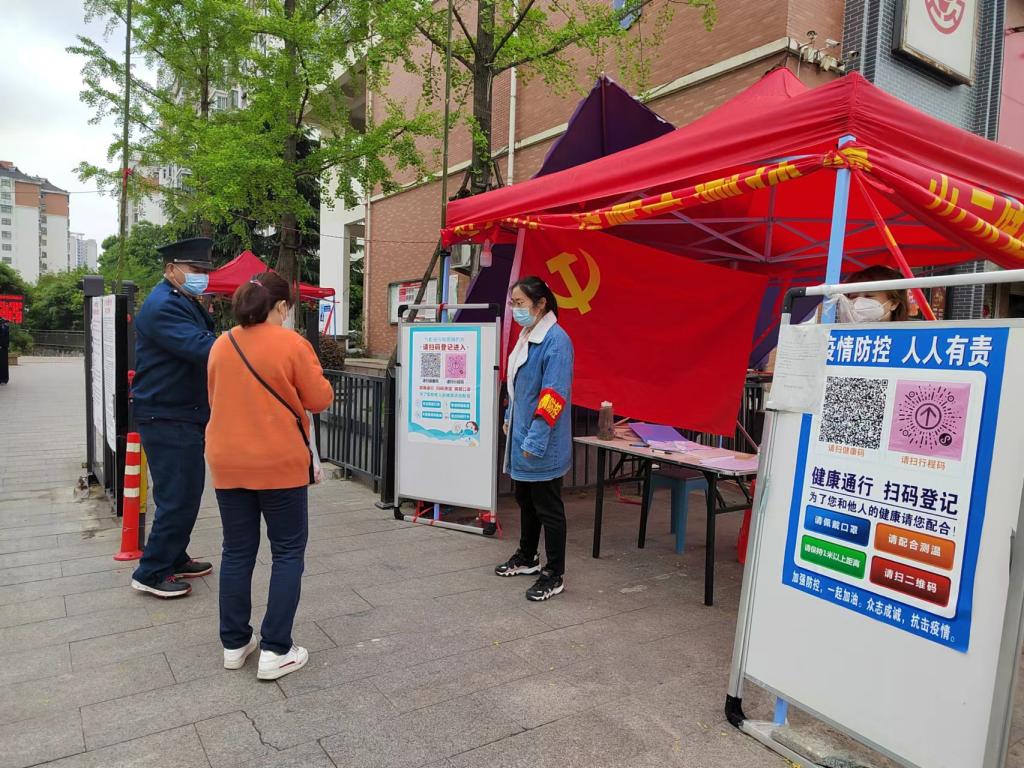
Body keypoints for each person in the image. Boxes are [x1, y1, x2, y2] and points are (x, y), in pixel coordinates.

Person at [206, 272, 333, 680]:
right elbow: (319, 398)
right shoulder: (292, 344)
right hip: (279, 464)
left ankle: (234, 643)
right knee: (287, 552)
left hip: (227, 462)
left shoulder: (221, 344)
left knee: (236, 551)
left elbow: (215, 398)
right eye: (288, 308)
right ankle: (276, 649)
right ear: (280, 306)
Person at [130, 237, 217, 599]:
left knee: (183, 491)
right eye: (195, 269)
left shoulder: (182, 299)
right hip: (167, 413)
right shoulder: (164, 305)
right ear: (171, 269)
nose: (202, 276)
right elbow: (202, 347)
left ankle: (174, 555)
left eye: (205, 270)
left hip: (180, 411)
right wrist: (249, 344)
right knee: (178, 494)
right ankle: (151, 571)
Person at [494, 276, 574, 602]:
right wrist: (509, 419)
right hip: (522, 434)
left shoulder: (556, 341)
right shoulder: (527, 334)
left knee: (548, 508)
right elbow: (518, 389)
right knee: (525, 499)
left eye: (520, 303)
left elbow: (553, 396)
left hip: (542, 442)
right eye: (513, 303)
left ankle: (554, 574)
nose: (515, 309)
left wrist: (535, 441)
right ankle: (528, 556)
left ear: (540, 304)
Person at [838, 265, 910, 322]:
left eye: (868, 296)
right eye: (853, 297)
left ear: (893, 304)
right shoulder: (839, 333)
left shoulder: (911, 332)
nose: (858, 301)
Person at [0, 318, 9, 385]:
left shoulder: (5, 327)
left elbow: (6, 338)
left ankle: (3, 379)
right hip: (3, 347)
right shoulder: (5, 327)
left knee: (3, 363)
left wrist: (2, 345)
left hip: (3, 348)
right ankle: (3, 379)